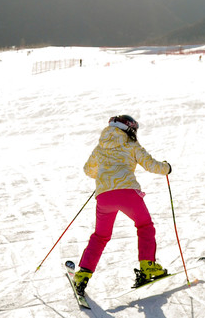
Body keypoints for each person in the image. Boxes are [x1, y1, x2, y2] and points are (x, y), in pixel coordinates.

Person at [72, 115, 172, 296]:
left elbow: (88, 170)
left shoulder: (100, 148)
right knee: (145, 226)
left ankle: (83, 274)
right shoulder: (131, 145)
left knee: (100, 236)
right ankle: (148, 266)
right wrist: (167, 167)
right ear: (129, 130)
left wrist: (105, 175)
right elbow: (151, 165)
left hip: (104, 196)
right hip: (128, 193)